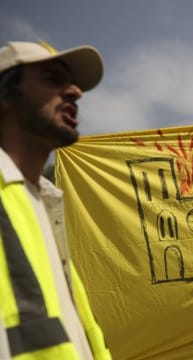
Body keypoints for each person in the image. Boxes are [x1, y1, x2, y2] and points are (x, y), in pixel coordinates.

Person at [0, 41, 110, 359]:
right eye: (52, 79)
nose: (75, 91)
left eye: (73, 82)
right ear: (5, 95)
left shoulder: (45, 204)